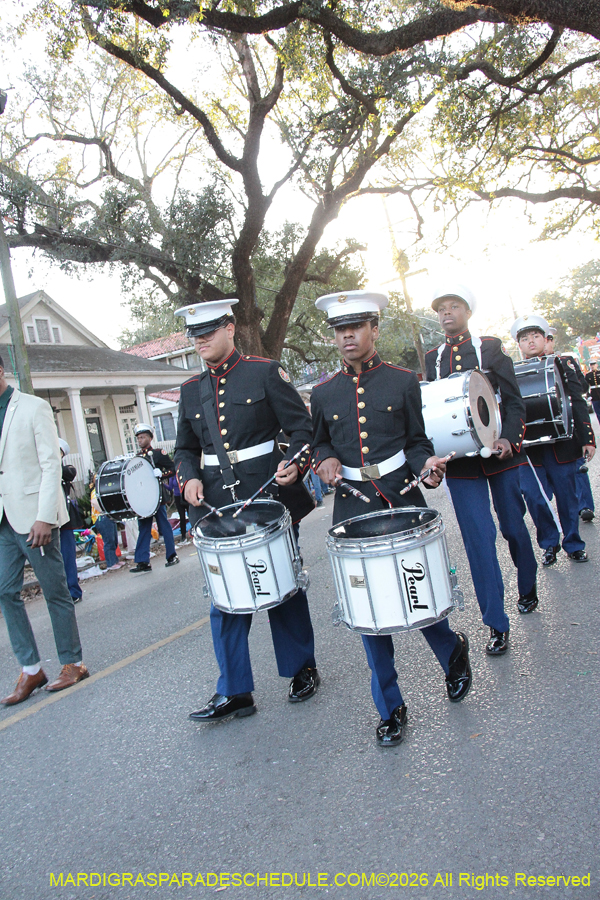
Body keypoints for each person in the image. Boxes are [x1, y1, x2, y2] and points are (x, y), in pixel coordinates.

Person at [311, 290, 472, 747]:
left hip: (399, 496)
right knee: (368, 607)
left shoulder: (403, 381)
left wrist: (427, 466)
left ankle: (450, 650)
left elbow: (418, 441)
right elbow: (320, 443)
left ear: (374, 330)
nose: (347, 336)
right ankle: (390, 705)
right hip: (351, 505)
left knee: (414, 586)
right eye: (340, 330)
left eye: (356, 327)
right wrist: (322, 460)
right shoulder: (323, 393)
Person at [174, 299, 320, 723]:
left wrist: (296, 463)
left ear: (230, 328)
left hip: (267, 492)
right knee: (224, 597)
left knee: (280, 584)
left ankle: (300, 668)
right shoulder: (190, 391)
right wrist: (188, 478)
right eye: (195, 335)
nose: (201, 340)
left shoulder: (264, 371)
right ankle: (235, 689)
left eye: (209, 331)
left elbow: (302, 429)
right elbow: (184, 448)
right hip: (217, 504)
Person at [425, 283, 537, 657]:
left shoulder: (490, 348)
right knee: (478, 541)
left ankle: (527, 581)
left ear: (467, 312)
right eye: (441, 309)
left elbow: (516, 403)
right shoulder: (432, 358)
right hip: (462, 464)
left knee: (512, 528)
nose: (446, 313)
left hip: (501, 456)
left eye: (453, 306)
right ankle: (496, 623)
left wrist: (507, 439)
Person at [0, 356, 88, 705]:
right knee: (5, 592)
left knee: (55, 591)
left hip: (34, 517)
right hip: (3, 520)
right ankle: (31, 667)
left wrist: (46, 517)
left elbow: (51, 464)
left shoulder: (32, 408)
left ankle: (73, 662)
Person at [512, 315, 595, 565]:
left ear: (544, 338)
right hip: (529, 449)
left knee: (567, 496)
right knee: (534, 498)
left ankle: (573, 543)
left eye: (535, 336)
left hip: (562, 443)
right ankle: (549, 543)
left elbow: (577, 402)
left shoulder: (562, 363)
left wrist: (587, 438)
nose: (531, 341)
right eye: (524, 339)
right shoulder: (511, 371)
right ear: (520, 345)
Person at [546, 332, 595, 522]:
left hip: (570, 426)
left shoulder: (565, 361)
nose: (548, 342)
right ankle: (570, 510)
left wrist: (587, 437)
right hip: (550, 430)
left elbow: (580, 390)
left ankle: (584, 507)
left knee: (578, 468)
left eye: (550, 338)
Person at [130, 423, 179, 573]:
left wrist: (162, 474)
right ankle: (142, 561)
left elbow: (173, 468)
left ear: (150, 438)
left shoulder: (158, 453)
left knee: (163, 525)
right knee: (143, 527)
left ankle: (171, 555)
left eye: (143, 437)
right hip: (144, 498)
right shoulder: (137, 458)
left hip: (157, 495)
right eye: (138, 438)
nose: (140, 440)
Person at [58, 439, 83, 603]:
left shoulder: (65, 469)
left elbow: (68, 473)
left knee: (67, 556)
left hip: (64, 518)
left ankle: (73, 591)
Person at [90, 479, 124, 570]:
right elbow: (94, 502)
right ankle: (111, 563)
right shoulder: (96, 491)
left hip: (108, 517)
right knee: (108, 540)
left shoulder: (102, 490)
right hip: (102, 517)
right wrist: (103, 511)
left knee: (113, 539)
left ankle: (115, 560)